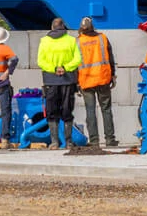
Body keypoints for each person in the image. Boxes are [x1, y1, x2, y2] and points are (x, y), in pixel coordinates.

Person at [36, 17, 81, 149]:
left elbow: (41, 61)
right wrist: (65, 68)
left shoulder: (44, 41)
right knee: (67, 110)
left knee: (51, 110)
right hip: (68, 79)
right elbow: (77, 59)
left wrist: (54, 69)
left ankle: (54, 142)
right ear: (63, 27)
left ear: (52, 27)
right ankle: (68, 142)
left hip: (50, 79)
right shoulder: (71, 40)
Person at [75, 17, 119, 149]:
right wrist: (113, 75)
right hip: (103, 78)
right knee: (106, 109)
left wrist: (76, 82)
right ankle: (110, 139)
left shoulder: (77, 42)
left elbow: (75, 63)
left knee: (90, 111)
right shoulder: (102, 38)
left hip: (86, 80)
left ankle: (94, 141)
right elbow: (110, 58)